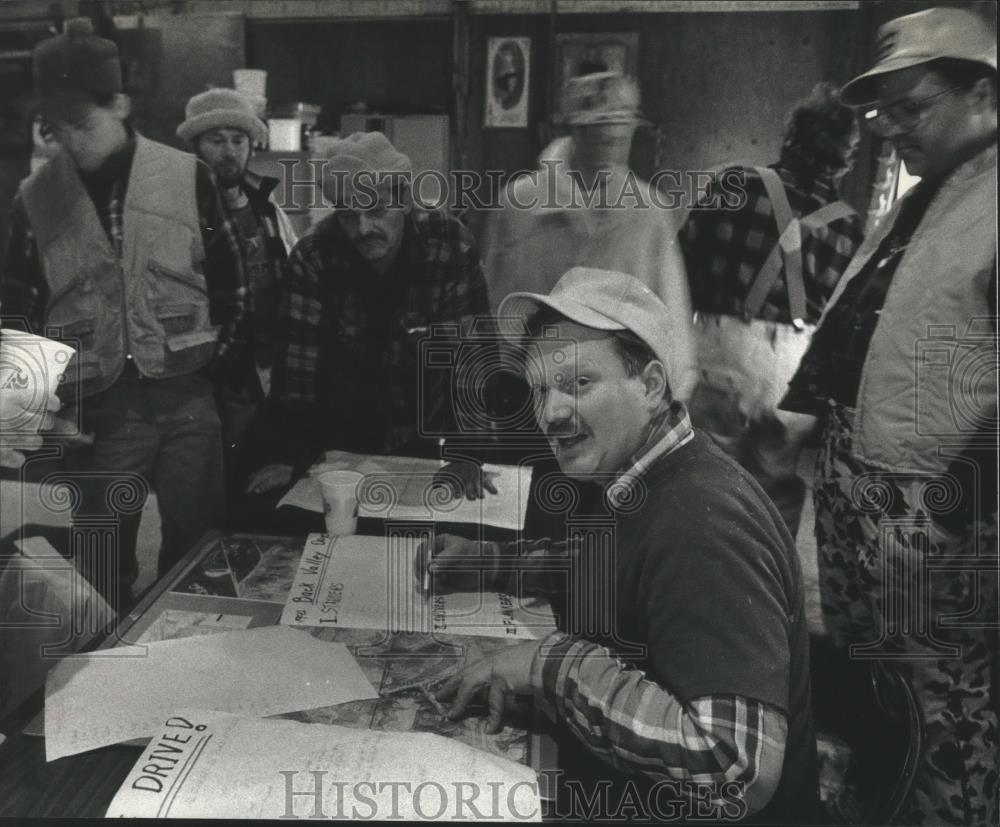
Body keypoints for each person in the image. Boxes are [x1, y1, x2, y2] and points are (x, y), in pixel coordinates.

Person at [417, 268, 818, 822]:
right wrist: (490, 562)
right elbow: (615, 571)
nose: (552, 414)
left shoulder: (704, 522)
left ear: (652, 386)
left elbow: (736, 769)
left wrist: (550, 665)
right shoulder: (637, 477)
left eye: (578, 384)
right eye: (540, 391)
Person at [781, 8, 997, 825]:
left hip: (932, 503)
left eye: (913, 107)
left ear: (982, 91)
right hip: (860, 485)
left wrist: (961, 501)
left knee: (943, 707)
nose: (891, 129)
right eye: (886, 113)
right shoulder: (928, 196)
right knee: (877, 691)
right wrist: (803, 427)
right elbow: (866, 326)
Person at [0, 19, 246, 609]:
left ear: (121, 106)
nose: (71, 142)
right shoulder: (34, 199)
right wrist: (38, 419)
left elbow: (234, 286)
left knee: (198, 558)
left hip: (190, 398)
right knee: (102, 567)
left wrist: (217, 379)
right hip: (102, 413)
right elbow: (17, 311)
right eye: (56, 129)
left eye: (82, 125)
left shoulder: (189, 176)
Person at [246, 131, 494, 508]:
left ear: (405, 202)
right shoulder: (313, 255)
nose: (362, 229)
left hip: (420, 429)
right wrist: (289, 454)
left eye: (376, 211)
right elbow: (297, 369)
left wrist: (467, 452)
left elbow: (471, 356)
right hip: (337, 435)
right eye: (348, 214)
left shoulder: (449, 245)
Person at [679, 82, 864, 536]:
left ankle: (697, 578)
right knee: (772, 491)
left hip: (724, 351)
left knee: (703, 481)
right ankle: (768, 583)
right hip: (793, 370)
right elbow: (848, 321)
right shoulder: (852, 228)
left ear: (790, 136)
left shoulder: (735, 185)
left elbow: (680, 266)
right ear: (846, 156)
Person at [481, 71, 696, 402]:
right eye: (597, 134)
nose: (610, 144)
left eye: (620, 133)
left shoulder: (650, 214)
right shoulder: (520, 205)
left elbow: (671, 313)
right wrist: (503, 385)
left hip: (618, 400)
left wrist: (672, 393)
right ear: (574, 129)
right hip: (534, 393)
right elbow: (496, 302)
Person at [177, 88, 297, 523]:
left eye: (238, 140)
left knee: (259, 487)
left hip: (265, 375)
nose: (229, 151)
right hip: (206, 377)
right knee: (204, 498)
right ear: (193, 147)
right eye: (216, 140)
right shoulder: (178, 213)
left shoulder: (268, 208)